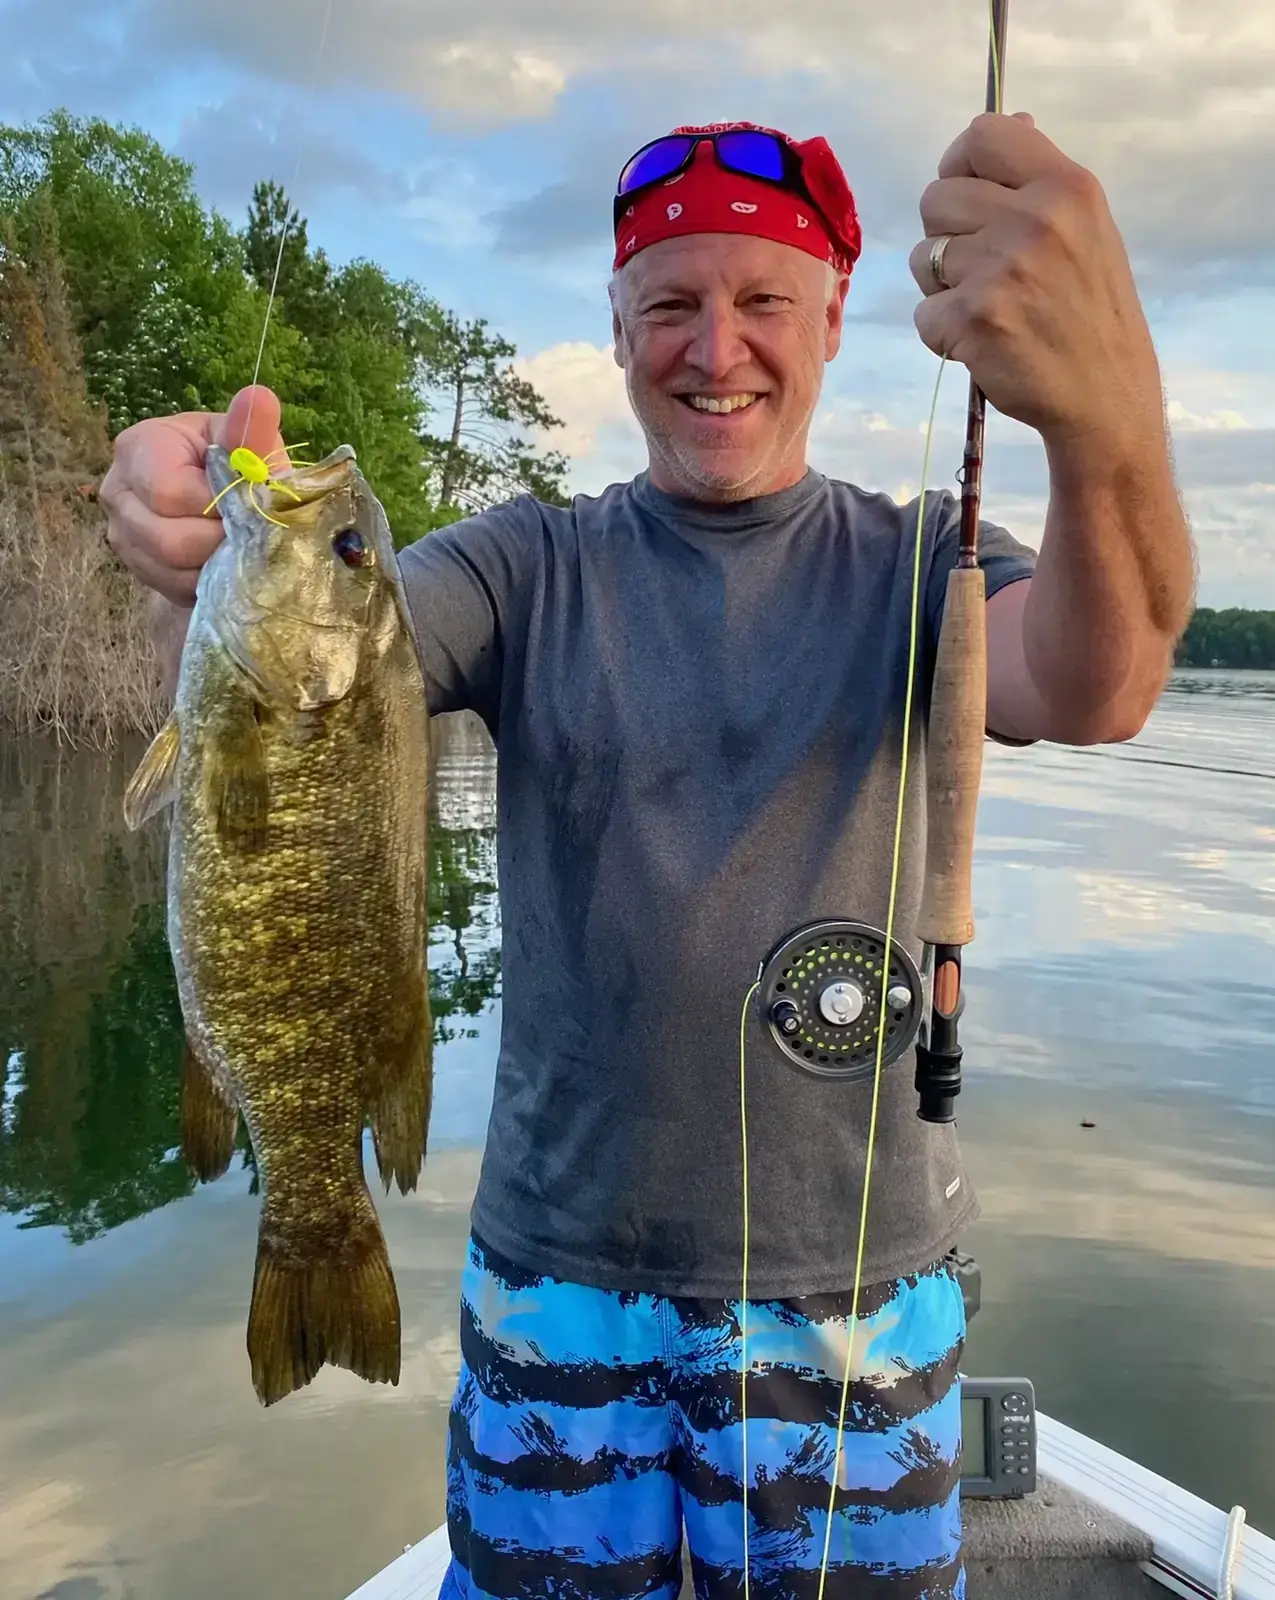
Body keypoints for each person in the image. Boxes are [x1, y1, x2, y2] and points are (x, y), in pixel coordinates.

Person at [102, 115, 1193, 1598]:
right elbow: (316, 697)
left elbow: (1095, 682)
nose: (714, 347)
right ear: (617, 330)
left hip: (853, 1296)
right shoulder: (521, 565)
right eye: (671, 305)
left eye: (761, 302)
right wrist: (195, 544)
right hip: (560, 1276)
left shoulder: (924, 560)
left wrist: (1102, 415)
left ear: (828, 321)